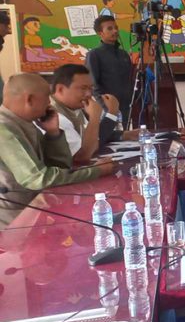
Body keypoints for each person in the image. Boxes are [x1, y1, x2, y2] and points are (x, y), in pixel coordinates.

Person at [0, 74, 116, 228]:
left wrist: (53, 133)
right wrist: (96, 171)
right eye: (47, 97)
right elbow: (38, 178)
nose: (50, 103)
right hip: (13, 219)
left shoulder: (26, 123)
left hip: (35, 208)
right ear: (30, 99)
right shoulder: (4, 129)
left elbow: (60, 167)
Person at [50, 64, 121, 162]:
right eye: (83, 88)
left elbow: (92, 139)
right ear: (60, 89)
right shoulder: (55, 116)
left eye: (91, 88)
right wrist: (95, 117)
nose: (89, 94)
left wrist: (124, 134)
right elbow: (82, 156)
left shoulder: (74, 108)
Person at [85, 16, 133, 122]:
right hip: (107, 109)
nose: (115, 31)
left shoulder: (123, 54)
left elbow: (130, 80)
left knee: (127, 132)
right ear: (100, 33)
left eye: (116, 28)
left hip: (127, 108)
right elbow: (93, 85)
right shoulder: (94, 54)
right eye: (110, 28)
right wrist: (107, 108)